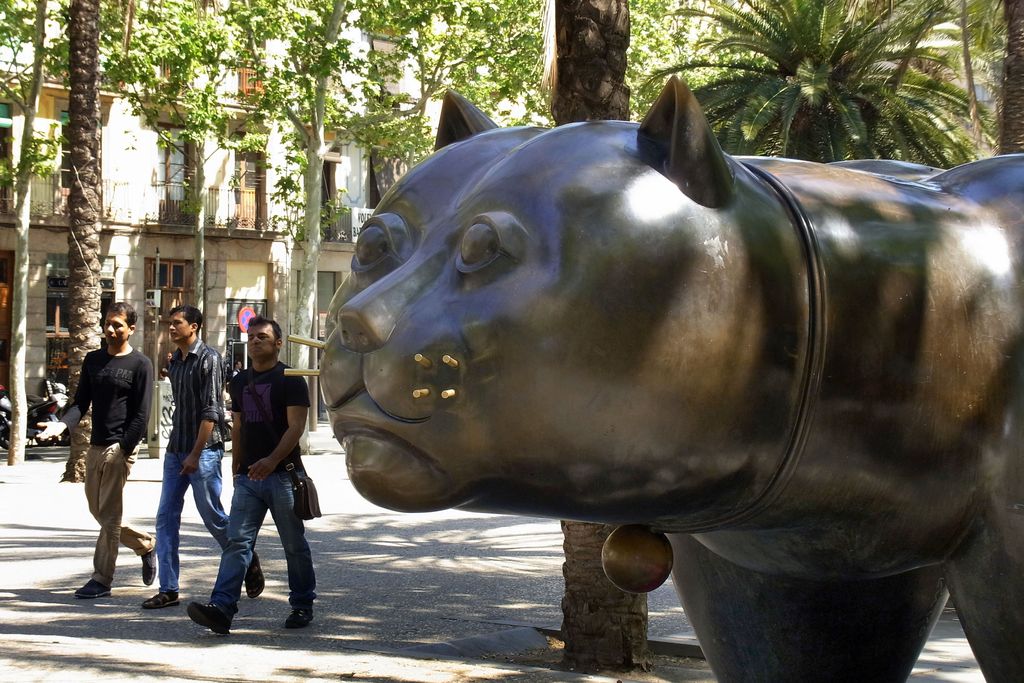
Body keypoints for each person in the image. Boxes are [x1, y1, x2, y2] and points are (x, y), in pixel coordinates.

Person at [187, 316, 316, 633]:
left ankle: (302, 605)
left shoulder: (291, 378)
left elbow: (296, 427)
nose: (255, 341)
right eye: (252, 336)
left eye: (262, 336)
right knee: (237, 543)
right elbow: (239, 426)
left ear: (278, 343)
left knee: (293, 545)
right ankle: (222, 608)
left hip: (283, 475)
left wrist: (272, 460)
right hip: (248, 479)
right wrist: (236, 469)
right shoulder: (240, 381)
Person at [143, 304, 264, 610]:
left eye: (177, 323)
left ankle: (246, 556)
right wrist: (180, 453)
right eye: (170, 322)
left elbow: (212, 410)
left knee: (212, 516)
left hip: (204, 451)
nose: (171, 327)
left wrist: (195, 455)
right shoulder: (177, 362)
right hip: (175, 450)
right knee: (165, 518)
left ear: (194, 327)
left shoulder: (209, 359)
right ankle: (168, 588)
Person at [37, 302, 157, 599]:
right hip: (96, 444)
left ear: (131, 328)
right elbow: (80, 403)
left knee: (109, 513)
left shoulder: (140, 364)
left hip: (121, 447)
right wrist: (62, 426)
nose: (111, 329)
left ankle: (101, 579)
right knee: (99, 511)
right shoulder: (93, 360)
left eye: (118, 324)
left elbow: (142, 414)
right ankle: (145, 545)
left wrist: (124, 447)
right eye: (108, 323)